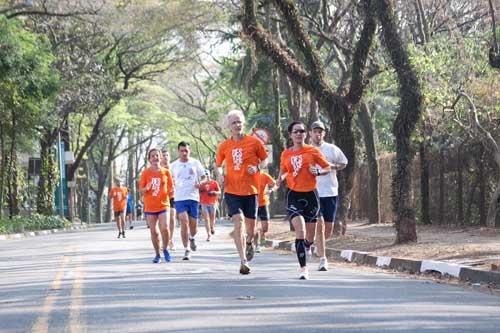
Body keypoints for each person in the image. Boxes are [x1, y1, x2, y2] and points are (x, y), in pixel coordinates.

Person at [215, 109, 268, 275]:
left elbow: (265, 159)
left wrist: (258, 167)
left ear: (243, 123)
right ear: (229, 126)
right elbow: (217, 164)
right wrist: (219, 175)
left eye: (239, 122)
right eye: (233, 123)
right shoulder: (224, 146)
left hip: (251, 190)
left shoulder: (254, 142)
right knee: (238, 223)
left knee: (250, 230)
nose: (237, 125)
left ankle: (250, 242)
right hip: (232, 190)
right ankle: (243, 261)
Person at [276, 121, 330, 280]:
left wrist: (319, 171)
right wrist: (279, 180)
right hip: (293, 194)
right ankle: (303, 268)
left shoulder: (312, 151)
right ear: (291, 135)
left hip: (311, 196)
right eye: (295, 131)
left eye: (301, 131)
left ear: (306, 134)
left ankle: (307, 245)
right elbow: (283, 170)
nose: (299, 134)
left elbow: (327, 167)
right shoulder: (286, 153)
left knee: (310, 237)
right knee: (300, 231)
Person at [310, 120, 348, 271]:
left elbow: (343, 163)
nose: (317, 134)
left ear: (324, 134)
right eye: (315, 131)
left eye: (320, 132)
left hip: (331, 192)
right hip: (313, 192)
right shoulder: (307, 150)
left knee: (328, 229)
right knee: (319, 225)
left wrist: (330, 166)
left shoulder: (332, 149)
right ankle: (323, 259)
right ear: (311, 133)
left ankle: (318, 245)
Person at [170, 142, 206, 260]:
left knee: (193, 227)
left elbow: (204, 177)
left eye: (186, 150)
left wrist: (200, 183)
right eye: (182, 151)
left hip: (193, 197)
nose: (184, 153)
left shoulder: (195, 163)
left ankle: (192, 238)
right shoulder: (173, 165)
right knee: (184, 222)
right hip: (180, 198)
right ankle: (186, 249)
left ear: (189, 151)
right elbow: (168, 179)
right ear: (178, 151)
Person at [139, 148, 174, 263]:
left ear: (161, 157)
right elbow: (141, 191)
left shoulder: (166, 172)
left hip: (164, 205)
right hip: (150, 206)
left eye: (157, 155)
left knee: (165, 227)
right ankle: (157, 254)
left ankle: (165, 249)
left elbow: (171, 188)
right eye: (152, 156)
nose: (155, 157)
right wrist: (146, 188)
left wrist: (172, 196)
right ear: (149, 159)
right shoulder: (145, 173)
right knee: (154, 231)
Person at [254, 169, 276, 253]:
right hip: (253, 204)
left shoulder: (264, 175)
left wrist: (271, 190)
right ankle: (257, 245)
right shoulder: (248, 175)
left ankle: (261, 234)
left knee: (265, 228)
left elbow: (275, 184)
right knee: (254, 227)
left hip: (263, 203)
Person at [161, 149, 177, 251]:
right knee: (163, 222)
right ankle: (164, 240)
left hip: (173, 196)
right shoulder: (158, 169)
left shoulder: (174, 168)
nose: (165, 157)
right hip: (161, 197)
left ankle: (171, 239)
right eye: (163, 155)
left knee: (172, 218)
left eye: (167, 155)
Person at [199, 170, 221, 241]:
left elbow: (219, 192)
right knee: (206, 219)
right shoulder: (201, 184)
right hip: (204, 203)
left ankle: (212, 227)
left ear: (209, 175)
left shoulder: (214, 183)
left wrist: (214, 192)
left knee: (212, 218)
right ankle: (208, 234)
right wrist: (200, 191)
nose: (206, 177)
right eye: (205, 175)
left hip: (213, 203)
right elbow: (197, 191)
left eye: (207, 175)